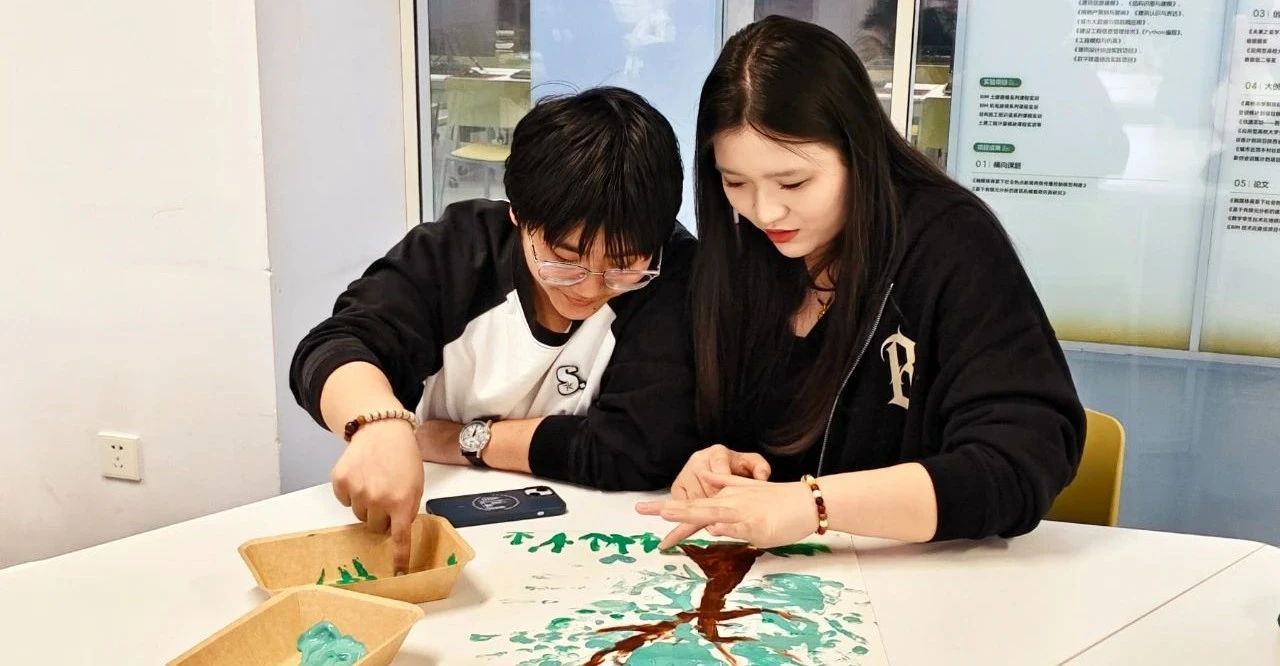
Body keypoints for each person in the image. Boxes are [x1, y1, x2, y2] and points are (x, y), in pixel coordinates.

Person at [637, 16, 1084, 549]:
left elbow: (1020, 461)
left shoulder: (948, 245)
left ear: (859, 152)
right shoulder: (744, 252)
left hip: (926, 575)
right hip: (784, 576)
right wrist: (720, 459)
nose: (765, 210)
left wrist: (814, 505)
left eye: (794, 182)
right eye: (735, 182)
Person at [292, 87, 701, 572]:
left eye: (622, 264)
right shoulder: (458, 252)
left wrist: (461, 440)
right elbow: (334, 346)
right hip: (435, 522)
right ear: (518, 215)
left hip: (597, 543)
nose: (591, 288)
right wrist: (376, 426)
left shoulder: (672, 274)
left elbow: (635, 448)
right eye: (563, 259)